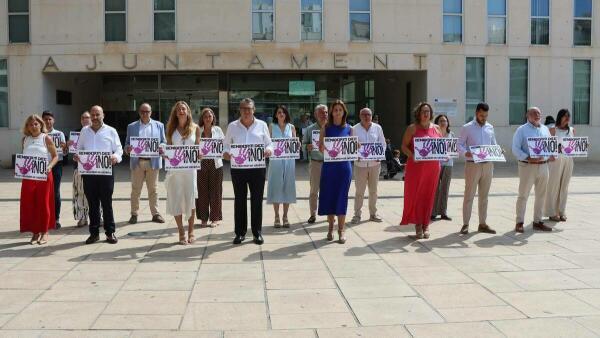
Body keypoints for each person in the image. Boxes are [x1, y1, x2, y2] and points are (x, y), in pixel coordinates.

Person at [224, 98, 273, 245]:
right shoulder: (232, 126)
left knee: (257, 200)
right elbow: (226, 145)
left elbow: (269, 143)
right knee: (239, 200)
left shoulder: (262, 125)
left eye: (249, 108)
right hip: (238, 169)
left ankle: (257, 233)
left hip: (257, 169)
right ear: (240, 110)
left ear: (254, 109)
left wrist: (268, 150)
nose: (246, 111)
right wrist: (226, 153)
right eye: (243, 108)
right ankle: (240, 233)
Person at [75, 105, 123, 244]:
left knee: (107, 203)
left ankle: (110, 233)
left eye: (98, 115)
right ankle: (94, 233)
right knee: (92, 203)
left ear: (103, 115)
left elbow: (118, 149)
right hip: (89, 173)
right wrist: (77, 156)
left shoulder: (111, 131)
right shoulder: (84, 131)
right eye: (93, 115)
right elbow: (79, 149)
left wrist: (115, 157)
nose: (95, 117)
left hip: (106, 172)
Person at [400, 102, 442, 239]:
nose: (425, 114)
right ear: (418, 113)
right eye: (423, 111)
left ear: (431, 114)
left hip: (433, 168)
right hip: (416, 167)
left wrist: (446, 154)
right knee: (417, 195)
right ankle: (418, 224)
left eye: (428, 111)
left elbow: (441, 147)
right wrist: (413, 155)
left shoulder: (436, 128)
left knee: (429, 195)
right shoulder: (412, 128)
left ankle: (426, 224)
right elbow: (404, 147)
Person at [318, 99, 355, 244]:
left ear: (344, 112)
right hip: (329, 168)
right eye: (335, 110)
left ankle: (341, 230)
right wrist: (322, 147)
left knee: (341, 197)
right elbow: (321, 147)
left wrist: (356, 145)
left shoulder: (350, 129)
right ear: (332, 113)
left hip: (344, 168)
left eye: (340, 110)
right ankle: (330, 228)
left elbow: (353, 148)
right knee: (329, 197)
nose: (338, 112)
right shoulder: (325, 128)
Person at [512, 107, 554, 233]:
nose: (537, 115)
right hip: (527, 166)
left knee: (541, 195)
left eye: (539, 113)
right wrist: (528, 157)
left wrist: (552, 154)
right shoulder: (521, 130)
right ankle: (519, 222)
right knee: (523, 195)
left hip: (543, 166)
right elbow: (515, 149)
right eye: (534, 113)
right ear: (527, 115)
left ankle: (538, 221)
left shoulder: (545, 129)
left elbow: (549, 146)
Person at [458, 103, 498, 234]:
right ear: (476, 113)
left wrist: (498, 150)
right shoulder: (467, 127)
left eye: (486, 116)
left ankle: (482, 223)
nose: (484, 118)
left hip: (488, 165)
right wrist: (465, 153)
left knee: (484, 196)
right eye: (481, 115)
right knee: (469, 195)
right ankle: (465, 224)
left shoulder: (490, 127)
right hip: (472, 165)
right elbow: (459, 144)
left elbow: (493, 144)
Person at [164, 101, 200, 245]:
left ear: (188, 111)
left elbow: (198, 147)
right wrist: (166, 154)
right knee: (176, 200)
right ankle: (181, 231)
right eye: (178, 109)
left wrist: (200, 154)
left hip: (190, 171)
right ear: (175, 112)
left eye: (183, 109)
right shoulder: (171, 129)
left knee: (190, 200)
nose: (181, 111)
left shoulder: (195, 128)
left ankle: (191, 230)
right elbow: (168, 148)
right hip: (175, 171)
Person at [20, 114, 59, 245]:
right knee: (30, 204)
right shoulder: (25, 139)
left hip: (44, 176)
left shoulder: (46, 138)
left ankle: (45, 231)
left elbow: (55, 156)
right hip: (29, 177)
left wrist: (49, 167)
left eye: (36, 124)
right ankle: (35, 232)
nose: (33, 126)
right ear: (27, 127)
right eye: (31, 124)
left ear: (41, 125)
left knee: (44, 203)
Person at [125, 103, 166, 225]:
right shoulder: (131, 126)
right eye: (142, 111)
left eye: (147, 111)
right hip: (137, 162)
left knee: (153, 189)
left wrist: (161, 147)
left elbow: (164, 141)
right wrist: (127, 149)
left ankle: (155, 213)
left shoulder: (159, 125)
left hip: (152, 161)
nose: (144, 114)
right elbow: (127, 143)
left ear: (151, 112)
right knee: (135, 190)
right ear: (139, 112)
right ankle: (134, 214)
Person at [351, 107, 385, 224]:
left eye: (368, 115)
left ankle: (373, 213)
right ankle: (357, 215)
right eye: (364, 115)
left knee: (373, 190)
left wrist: (379, 155)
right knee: (359, 191)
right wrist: (355, 154)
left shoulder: (377, 128)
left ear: (371, 116)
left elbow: (382, 143)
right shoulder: (354, 129)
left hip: (374, 164)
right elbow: (351, 145)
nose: (366, 117)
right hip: (360, 164)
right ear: (360, 116)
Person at [267, 105, 297, 228]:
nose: (281, 114)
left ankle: (285, 216)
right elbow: (267, 143)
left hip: (289, 162)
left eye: (283, 112)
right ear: (275, 115)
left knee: (287, 187)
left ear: (286, 114)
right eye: (279, 112)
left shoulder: (292, 127)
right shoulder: (271, 127)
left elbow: (295, 144)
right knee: (276, 186)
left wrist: (297, 144)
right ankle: (276, 216)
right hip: (276, 162)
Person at [196, 107, 224, 228]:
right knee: (202, 192)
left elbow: (223, 145)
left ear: (213, 118)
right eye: (205, 116)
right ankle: (203, 218)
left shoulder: (218, 130)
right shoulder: (197, 130)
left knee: (216, 191)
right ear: (202, 118)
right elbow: (193, 145)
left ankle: (215, 218)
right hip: (201, 163)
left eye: (210, 116)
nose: (208, 118)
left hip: (215, 164)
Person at [545, 109, 575, 222]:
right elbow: (547, 145)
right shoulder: (553, 130)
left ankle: (562, 211)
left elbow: (574, 146)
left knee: (564, 186)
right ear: (560, 117)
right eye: (565, 116)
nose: (567, 118)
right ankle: (552, 212)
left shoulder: (571, 130)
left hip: (568, 160)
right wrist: (549, 156)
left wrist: (583, 146)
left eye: (568, 116)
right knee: (553, 186)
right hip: (556, 160)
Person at [69, 111, 96, 227]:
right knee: (80, 194)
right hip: (79, 169)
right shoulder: (75, 133)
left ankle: (97, 217)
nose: (85, 120)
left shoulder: (96, 132)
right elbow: (69, 151)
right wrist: (67, 145)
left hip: (95, 170)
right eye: (83, 118)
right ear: (81, 120)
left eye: (87, 117)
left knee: (95, 194)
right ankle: (82, 217)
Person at [302, 104, 328, 224]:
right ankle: (313, 214)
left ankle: (329, 213)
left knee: (329, 189)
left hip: (330, 164)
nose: (324, 115)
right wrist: (307, 146)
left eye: (326, 112)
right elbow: (303, 145)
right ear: (316, 115)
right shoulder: (310, 129)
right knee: (314, 190)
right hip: (316, 162)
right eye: (321, 113)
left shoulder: (332, 127)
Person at [42, 110, 67, 229]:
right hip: (42, 165)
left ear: (53, 120)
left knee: (55, 192)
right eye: (45, 119)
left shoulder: (59, 134)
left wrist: (65, 148)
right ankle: (44, 218)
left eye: (49, 119)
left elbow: (64, 153)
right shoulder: (39, 134)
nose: (47, 121)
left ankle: (55, 218)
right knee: (43, 192)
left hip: (56, 165)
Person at [431, 114, 454, 221]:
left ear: (448, 123)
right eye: (441, 121)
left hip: (448, 165)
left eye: (445, 121)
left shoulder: (451, 134)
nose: (443, 123)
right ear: (437, 123)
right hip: (436, 164)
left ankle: (443, 212)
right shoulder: (434, 134)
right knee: (435, 188)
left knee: (445, 188)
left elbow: (455, 150)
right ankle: (433, 212)